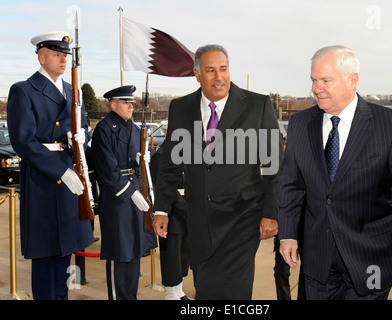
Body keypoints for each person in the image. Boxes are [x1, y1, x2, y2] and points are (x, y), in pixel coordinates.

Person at [277, 45, 392, 300]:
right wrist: (288, 234)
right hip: (318, 262)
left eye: (326, 80)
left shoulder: (390, 125)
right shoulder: (300, 124)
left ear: (353, 80)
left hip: (371, 261)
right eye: (314, 80)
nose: (317, 88)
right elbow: (291, 186)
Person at [152, 44, 284, 300]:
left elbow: (274, 165)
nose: (219, 76)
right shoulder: (181, 108)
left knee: (234, 285)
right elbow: (169, 164)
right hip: (199, 216)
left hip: (242, 216)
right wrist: (162, 208)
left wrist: (271, 213)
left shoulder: (257, 105)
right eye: (210, 70)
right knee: (206, 284)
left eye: (223, 69)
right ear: (197, 74)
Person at [7, 31, 94, 299]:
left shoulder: (72, 90)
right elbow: (23, 141)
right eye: (57, 55)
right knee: (46, 255)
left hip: (70, 174)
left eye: (65, 55)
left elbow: (84, 128)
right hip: (44, 178)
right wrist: (61, 171)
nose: (63, 60)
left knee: (64, 252)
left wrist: (80, 139)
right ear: (41, 58)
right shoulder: (24, 90)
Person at [90, 85, 157, 300]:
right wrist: (131, 192)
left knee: (134, 250)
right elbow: (107, 171)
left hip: (136, 191)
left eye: (132, 102)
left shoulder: (135, 129)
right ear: (113, 105)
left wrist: (145, 159)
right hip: (118, 196)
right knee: (119, 253)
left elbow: (141, 156)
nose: (131, 106)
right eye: (126, 102)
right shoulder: (104, 128)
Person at [150, 140, 190, 300]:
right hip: (171, 213)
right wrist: (185, 208)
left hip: (186, 211)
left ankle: (179, 291)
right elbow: (165, 189)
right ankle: (171, 294)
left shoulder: (185, 152)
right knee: (171, 256)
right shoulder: (161, 156)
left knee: (183, 256)